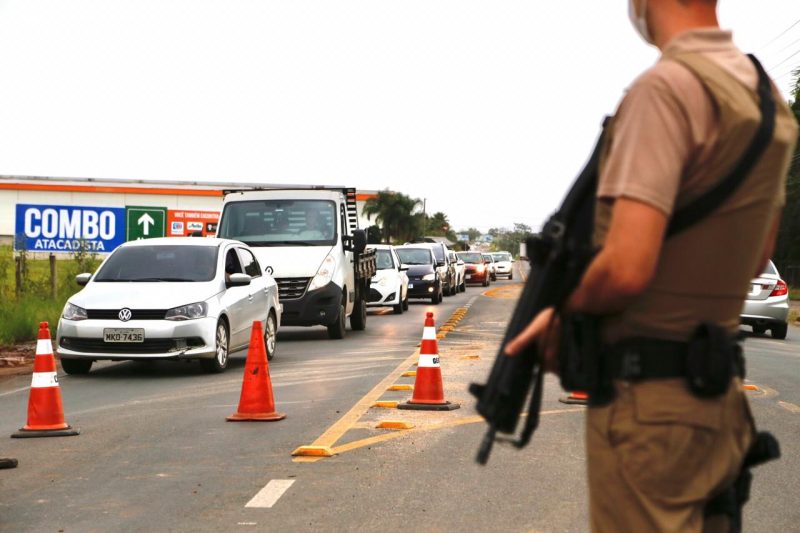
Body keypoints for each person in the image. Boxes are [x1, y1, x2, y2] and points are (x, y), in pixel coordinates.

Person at [504, 1, 797, 531]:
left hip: (649, 408)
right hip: (719, 405)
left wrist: (562, 313)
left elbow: (626, 268)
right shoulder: (769, 101)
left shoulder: (664, 89)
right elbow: (756, 255)